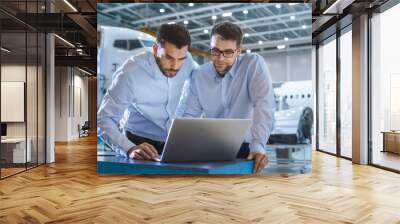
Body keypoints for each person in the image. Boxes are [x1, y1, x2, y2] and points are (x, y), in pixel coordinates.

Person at [183, 22, 276, 174]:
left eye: (227, 52)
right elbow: (189, 116)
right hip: (212, 148)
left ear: (238, 51)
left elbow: (264, 104)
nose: (220, 58)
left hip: (247, 148)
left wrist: (258, 145)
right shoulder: (199, 75)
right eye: (215, 51)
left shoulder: (252, 64)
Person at [98, 24, 197, 160]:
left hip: (175, 143)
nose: (175, 66)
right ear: (156, 50)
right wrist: (129, 148)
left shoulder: (188, 62)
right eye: (168, 58)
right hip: (139, 143)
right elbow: (104, 119)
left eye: (181, 59)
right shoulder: (130, 73)